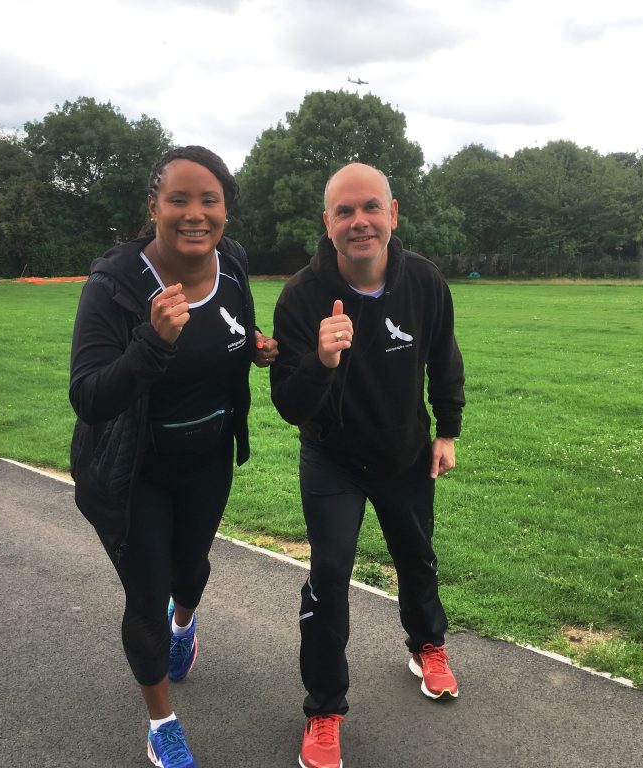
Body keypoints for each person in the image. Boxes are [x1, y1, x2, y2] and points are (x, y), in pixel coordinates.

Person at [68, 145, 278, 768]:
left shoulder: (233, 266)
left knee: (192, 574)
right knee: (147, 593)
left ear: (225, 212)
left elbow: (232, 338)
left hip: (208, 457)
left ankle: (185, 622)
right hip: (136, 472)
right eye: (179, 199)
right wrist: (151, 343)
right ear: (154, 206)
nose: (195, 213)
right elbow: (89, 395)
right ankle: (162, 721)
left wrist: (257, 350)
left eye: (209, 200)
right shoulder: (115, 286)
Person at [269, 162, 466, 768]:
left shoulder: (425, 282)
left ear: (393, 213)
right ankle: (324, 710)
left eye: (371, 208)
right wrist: (321, 362)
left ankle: (427, 646)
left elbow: (444, 357)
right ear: (327, 224)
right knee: (329, 577)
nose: (360, 222)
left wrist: (448, 430)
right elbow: (286, 403)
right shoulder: (302, 296)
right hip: (331, 459)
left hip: (405, 452)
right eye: (345, 212)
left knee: (417, 556)